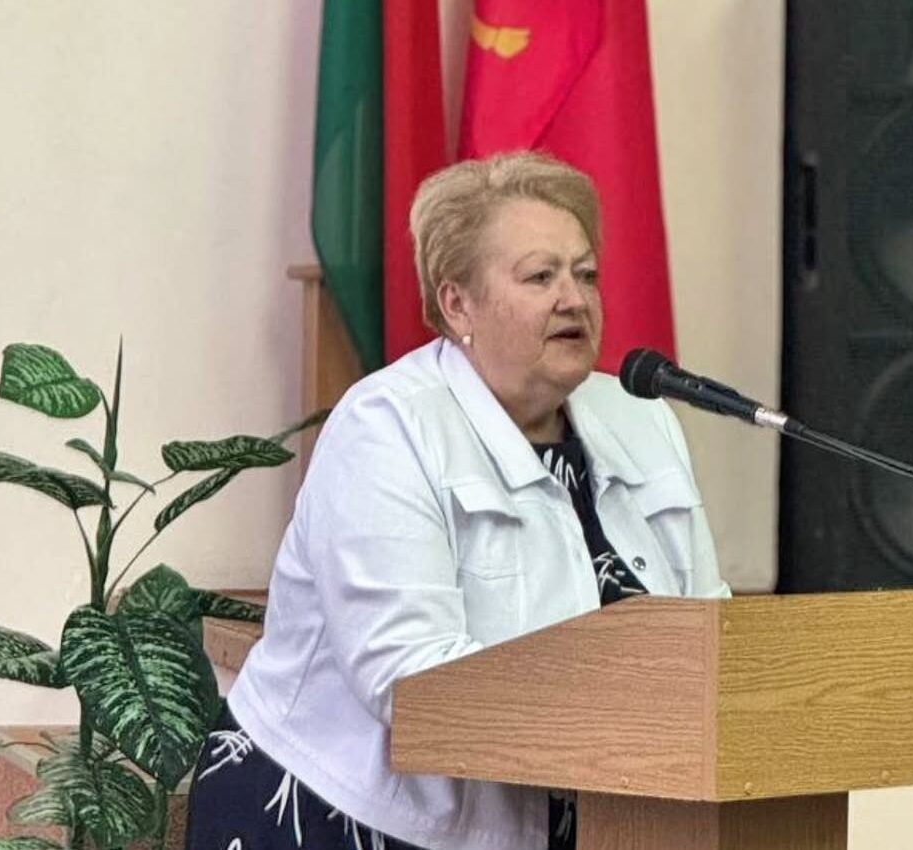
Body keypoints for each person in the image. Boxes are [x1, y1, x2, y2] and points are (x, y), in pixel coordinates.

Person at [184, 151, 730, 850]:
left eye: (586, 274)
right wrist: (624, 717)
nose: (574, 298)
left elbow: (714, 632)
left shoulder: (641, 418)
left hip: (589, 811)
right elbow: (410, 679)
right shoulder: (388, 428)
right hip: (348, 813)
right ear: (456, 304)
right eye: (541, 277)